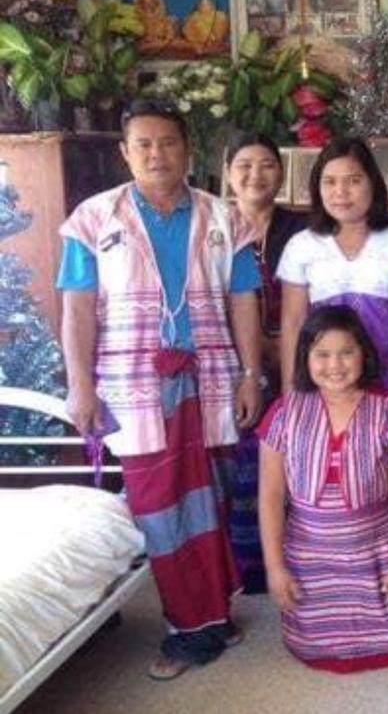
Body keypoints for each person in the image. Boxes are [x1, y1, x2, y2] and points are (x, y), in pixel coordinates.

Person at [59, 99, 263, 680]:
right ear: (125, 153)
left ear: (188, 150)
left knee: (212, 500)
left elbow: (243, 300)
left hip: (213, 378)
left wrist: (252, 374)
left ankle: (213, 614)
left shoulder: (225, 218)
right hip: (133, 385)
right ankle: (187, 630)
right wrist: (80, 385)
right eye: (143, 144)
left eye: (168, 142)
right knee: (158, 508)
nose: (157, 154)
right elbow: (77, 309)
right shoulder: (93, 219)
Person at [257, 305, 388, 671]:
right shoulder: (284, 413)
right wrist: (275, 567)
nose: (335, 365)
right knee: (312, 644)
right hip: (310, 557)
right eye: (322, 354)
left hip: (376, 552)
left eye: (346, 352)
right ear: (305, 358)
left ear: (364, 354)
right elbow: (270, 495)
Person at [277, 138, 388, 405]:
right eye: (330, 182)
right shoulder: (301, 246)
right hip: (326, 381)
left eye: (353, 181)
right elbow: (293, 322)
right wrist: (291, 390)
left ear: (373, 184)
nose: (340, 192)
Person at [225, 130, 305, 594]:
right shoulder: (213, 226)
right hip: (230, 361)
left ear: (282, 173)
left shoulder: (301, 228)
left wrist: (283, 348)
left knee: (292, 461)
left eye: (267, 165)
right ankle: (247, 568)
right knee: (242, 465)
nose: (256, 175)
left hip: (296, 357)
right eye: (244, 166)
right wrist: (251, 354)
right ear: (228, 174)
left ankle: (296, 556)